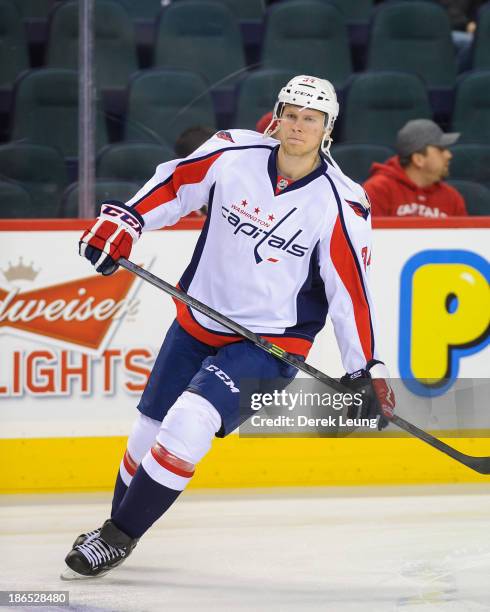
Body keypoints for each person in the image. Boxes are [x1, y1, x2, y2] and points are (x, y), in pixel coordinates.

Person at [62, 75, 396, 579]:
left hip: (269, 343)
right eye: (291, 113)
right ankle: (116, 525)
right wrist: (126, 222)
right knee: (145, 431)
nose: (297, 126)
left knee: (189, 423)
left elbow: (351, 291)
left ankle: (116, 537)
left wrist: (364, 367)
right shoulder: (230, 151)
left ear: (328, 128)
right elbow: (175, 186)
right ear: (277, 114)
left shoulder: (340, 203)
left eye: (311, 118)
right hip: (198, 318)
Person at [363, 119, 467, 217]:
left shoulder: (452, 198)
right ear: (418, 159)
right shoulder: (377, 190)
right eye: (441, 149)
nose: (449, 155)